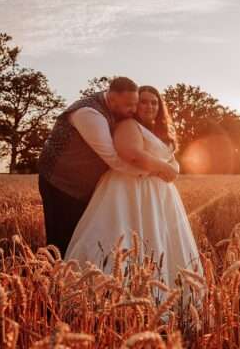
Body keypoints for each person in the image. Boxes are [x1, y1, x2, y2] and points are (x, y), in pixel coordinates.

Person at [64, 85, 206, 309]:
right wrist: (165, 169)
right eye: (144, 101)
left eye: (155, 102)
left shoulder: (159, 131)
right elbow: (131, 153)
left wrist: (172, 168)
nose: (150, 106)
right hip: (131, 190)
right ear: (135, 105)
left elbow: (167, 159)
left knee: (158, 241)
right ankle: (115, 298)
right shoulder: (128, 125)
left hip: (158, 195)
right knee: (124, 240)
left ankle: (162, 298)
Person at [37, 77, 177, 257]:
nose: (133, 110)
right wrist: (156, 171)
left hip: (86, 183)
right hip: (60, 181)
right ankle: (50, 277)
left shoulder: (119, 113)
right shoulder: (89, 114)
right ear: (111, 98)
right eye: (129, 105)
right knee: (62, 238)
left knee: (83, 233)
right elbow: (113, 158)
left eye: (135, 104)